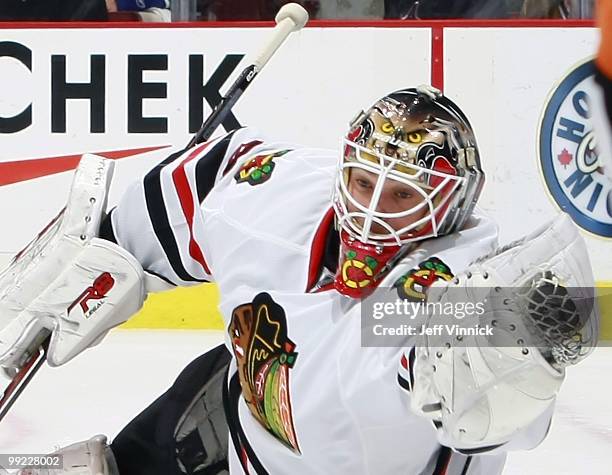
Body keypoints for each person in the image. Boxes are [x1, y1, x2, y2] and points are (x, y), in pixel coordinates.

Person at [2, 87, 597, 474]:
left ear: (456, 203)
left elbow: (490, 373)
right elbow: (203, 177)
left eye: (401, 196)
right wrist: (98, 253)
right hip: (230, 416)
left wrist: (519, 344)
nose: (373, 212)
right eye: (365, 184)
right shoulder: (273, 193)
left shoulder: (453, 290)